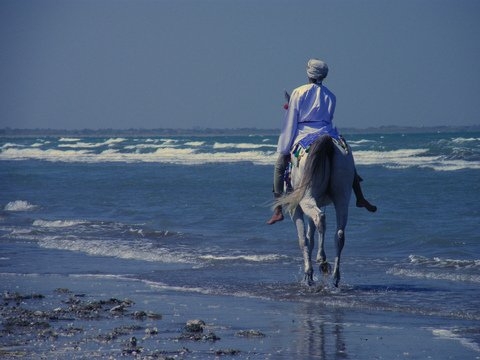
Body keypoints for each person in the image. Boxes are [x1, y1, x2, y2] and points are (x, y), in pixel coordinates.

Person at [267, 58, 377, 225]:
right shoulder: (331, 96)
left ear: (308, 73)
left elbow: (291, 119)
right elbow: (329, 119)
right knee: (347, 160)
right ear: (324, 76)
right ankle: (360, 197)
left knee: (280, 165)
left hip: (304, 135)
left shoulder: (298, 92)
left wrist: (284, 146)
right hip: (328, 132)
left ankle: (277, 210)